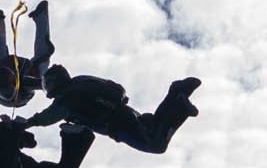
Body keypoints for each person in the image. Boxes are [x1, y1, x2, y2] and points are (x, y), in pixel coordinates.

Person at [21, 66, 200, 155]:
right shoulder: (80, 81)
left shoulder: (66, 99)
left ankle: (179, 103)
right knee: (155, 126)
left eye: (48, 83)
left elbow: (47, 117)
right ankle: (178, 91)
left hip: (117, 125)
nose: (47, 88)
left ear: (56, 82)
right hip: (125, 112)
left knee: (156, 144)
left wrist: (27, 123)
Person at [0, 0, 54, 109]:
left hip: (14, 67)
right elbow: (47, 83)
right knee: (43, 55)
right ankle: (41, 16)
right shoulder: (27, 83)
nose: (6, 93)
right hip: (25, 81)